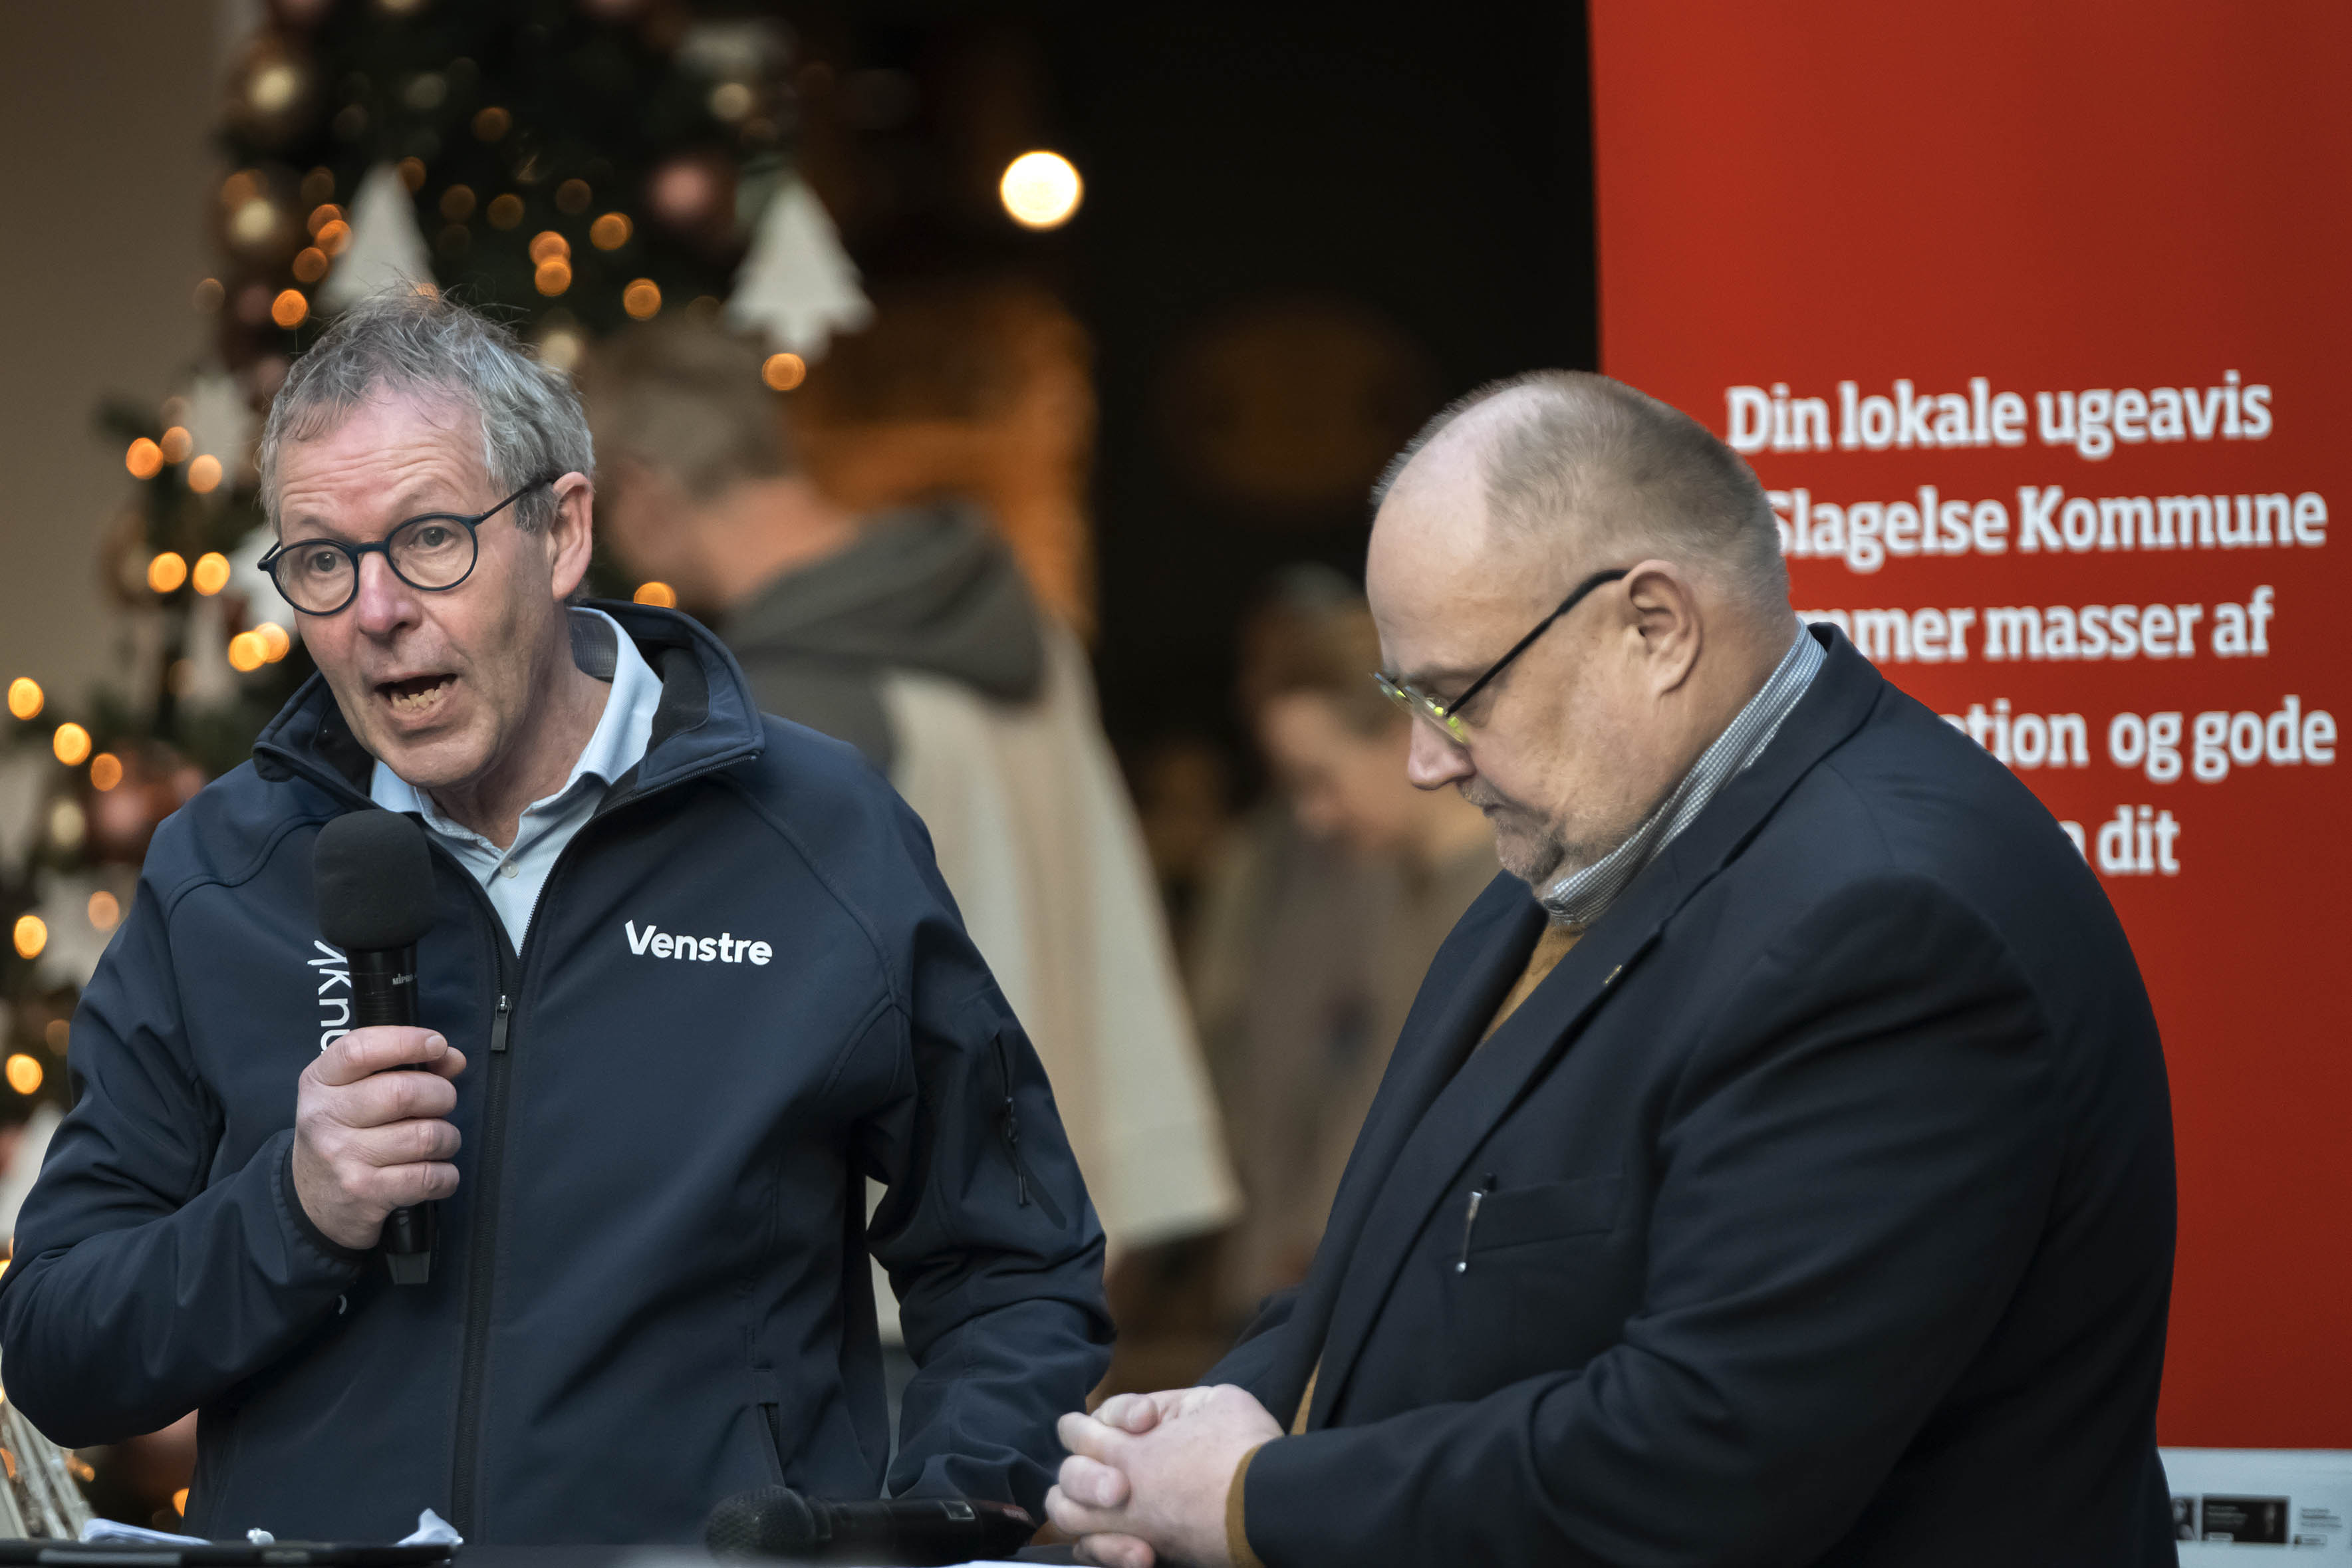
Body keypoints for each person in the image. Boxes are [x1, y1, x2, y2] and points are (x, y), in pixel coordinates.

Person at [0, 291, 1110, 1545]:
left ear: (563, 530)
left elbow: (1011, 1262)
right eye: (320, 559)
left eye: (429, 538)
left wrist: (931, 1531)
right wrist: (292, 1210)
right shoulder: (222, 868)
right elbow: (56, 1345)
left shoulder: (815, 833)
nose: (375, 611)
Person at [1045, 371, 2177, 1566]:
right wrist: (1212, 1426)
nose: (1428, 760)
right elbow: (1404, 1258)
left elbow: (1700, 1459)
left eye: (1453, 695)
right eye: (1402, 696)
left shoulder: (1886, 921)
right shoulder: (1574, 856)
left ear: (1655, 628)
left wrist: (1249, 1496)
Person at [583, 319, 1235, 1264]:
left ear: (640, 487)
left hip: (903, 1250)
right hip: (1052, 1191)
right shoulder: (1019, 617)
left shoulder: (782, 703)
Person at [1189, 570, 1494, 1328]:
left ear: (1404, 738)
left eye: (1319, 780)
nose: (1314, 818)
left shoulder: (1502, 900)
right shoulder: (1404, 887)